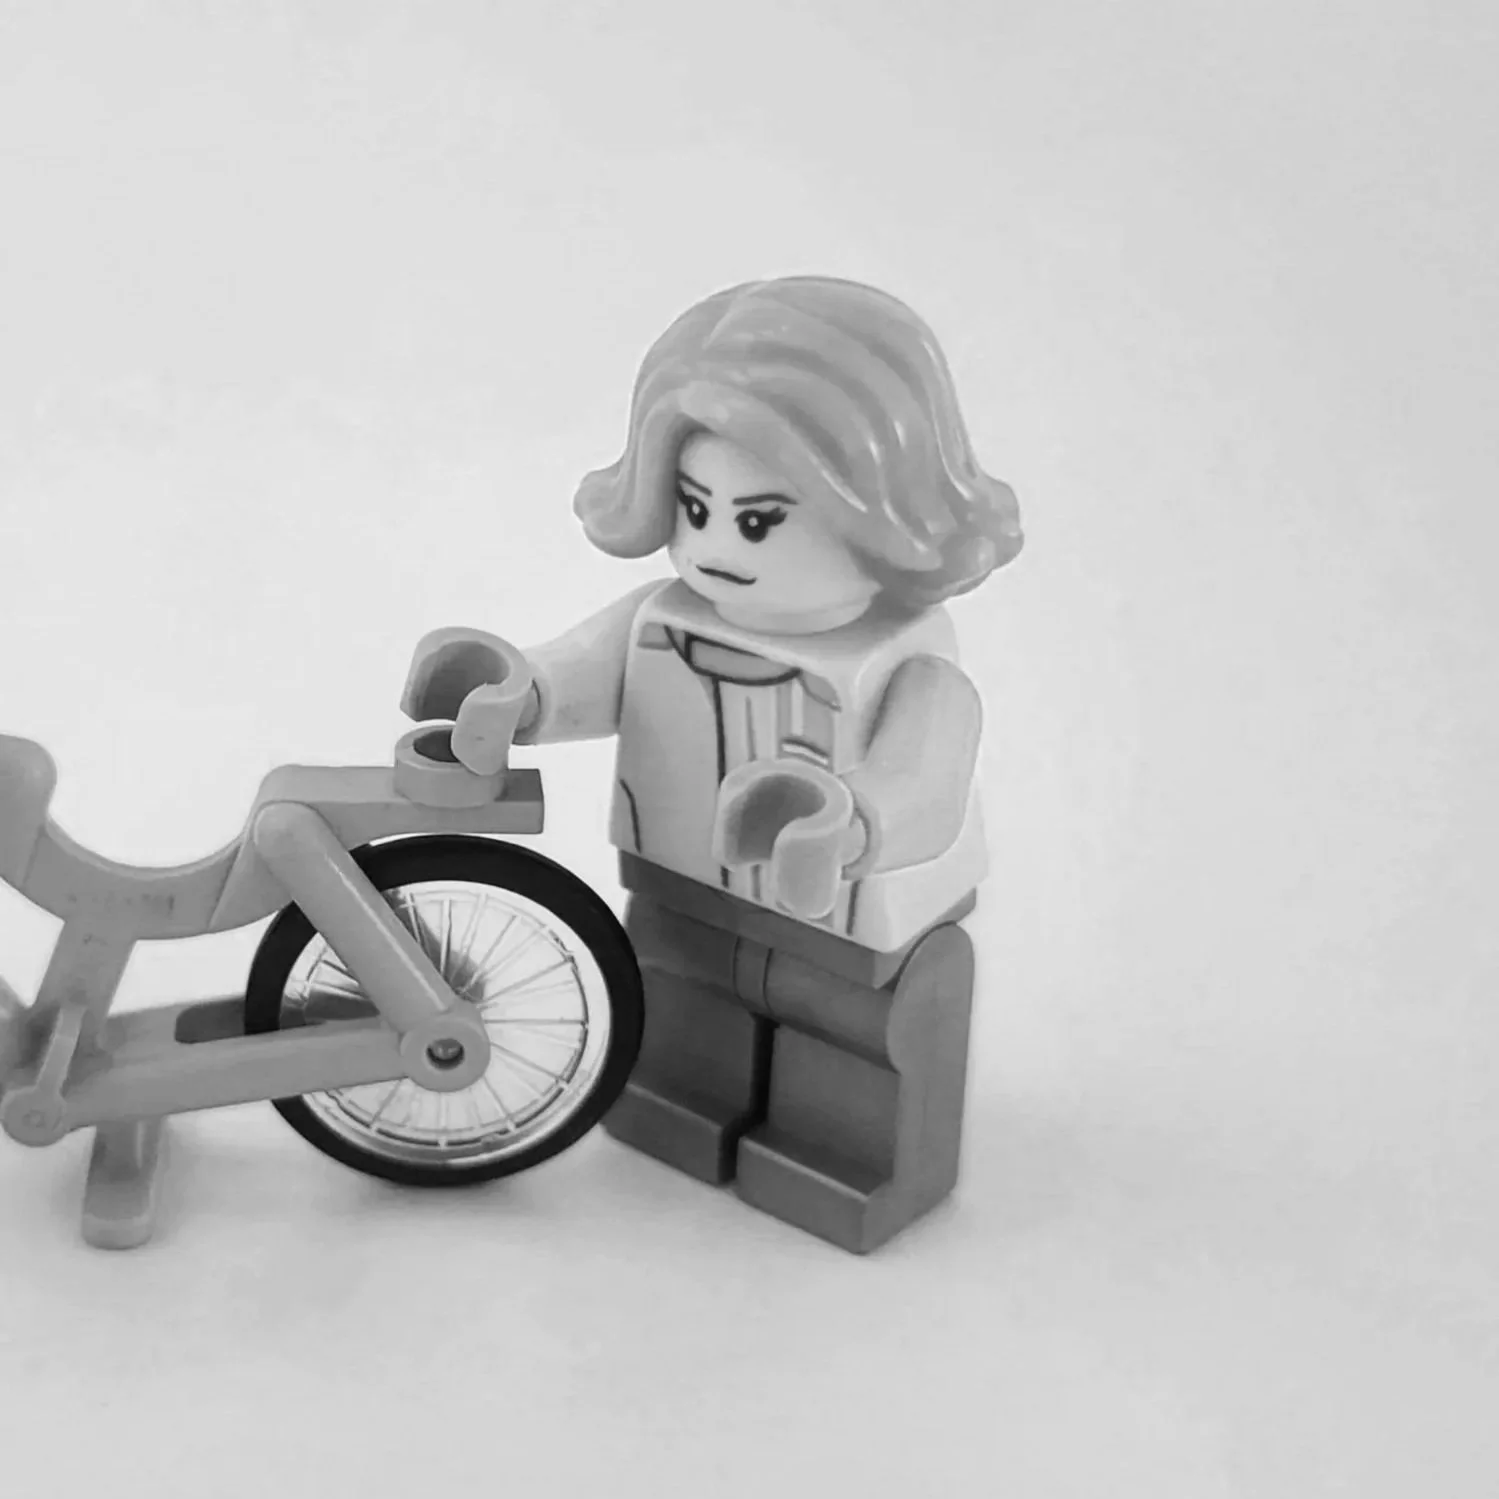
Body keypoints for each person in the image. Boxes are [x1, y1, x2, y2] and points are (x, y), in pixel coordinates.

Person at [472, 276, 1022, 1251]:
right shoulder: (661, 618)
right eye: (695, 507)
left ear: (878, 513)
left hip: (852, 934)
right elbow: (576, 675)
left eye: (760, 520)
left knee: (855, 1043)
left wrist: (852, 821)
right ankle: (683, 1108)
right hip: (684, 892)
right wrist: (516, 694)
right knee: (683, 1012)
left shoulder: (905, 663)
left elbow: (925, 783)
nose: (716, 546)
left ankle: (846, 1161)